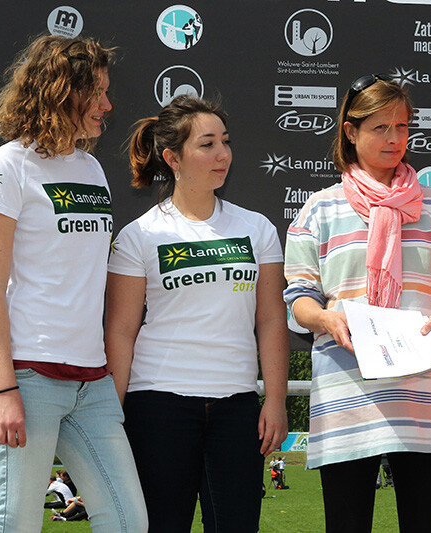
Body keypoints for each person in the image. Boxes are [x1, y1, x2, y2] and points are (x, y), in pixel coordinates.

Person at [284, 73, 431, 533]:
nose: (394, 139)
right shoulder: (319, 210)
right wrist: (326, 320)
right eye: (381, 127)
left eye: (402, 126)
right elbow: (299, 300)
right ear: (350, 132)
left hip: (423, 394)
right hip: (347, 394)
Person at [0, 34, 147, 532]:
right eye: (96, 93)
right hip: (26, 378)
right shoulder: (7, 165)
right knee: (15, 524)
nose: (107, 105)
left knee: (129, 522)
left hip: (91, 384)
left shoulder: (91, 168)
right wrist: (5, 387)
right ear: (60, 92)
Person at [105, 94, 289, 532]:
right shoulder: (139, 235)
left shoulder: (257, 228)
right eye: (207, 144)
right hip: (157, 406)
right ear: (172, 158)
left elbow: (270, 321)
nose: (222, 154)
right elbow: (121, 330)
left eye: (225, 141)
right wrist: (111, 414)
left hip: (237, 407)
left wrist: (276, 400)